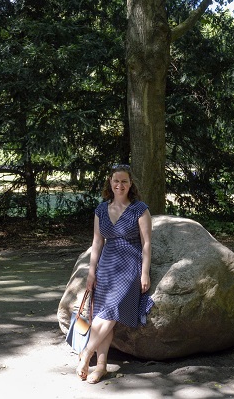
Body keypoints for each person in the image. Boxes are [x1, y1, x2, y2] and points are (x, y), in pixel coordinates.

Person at [75, 164, 154, 384]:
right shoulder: (101, 209)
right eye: (116, 181)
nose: (120, 185)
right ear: (110, 182)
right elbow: (97, 242)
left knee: (111, 311)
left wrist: (144, 272)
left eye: (124, 181)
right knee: (103, 315)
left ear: (131, 184)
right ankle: (100, 367)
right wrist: (91, 273)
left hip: (130, 266)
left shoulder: (140, 209)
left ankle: (86, 355)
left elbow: (147, 243)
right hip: (107, 266)